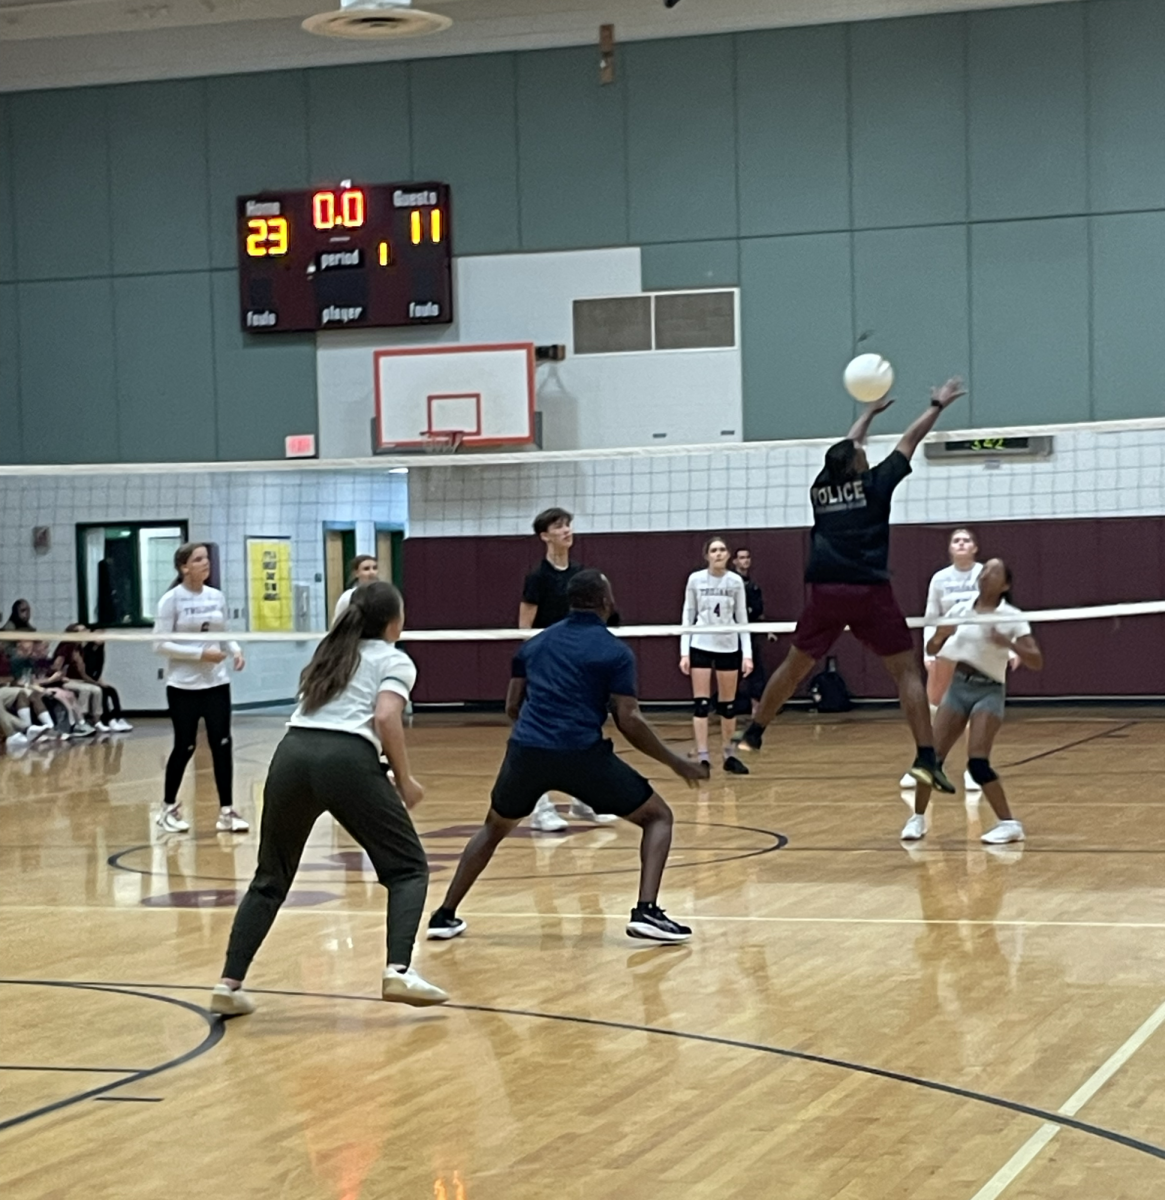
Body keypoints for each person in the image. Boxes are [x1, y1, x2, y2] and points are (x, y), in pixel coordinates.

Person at [427, 569, 710, 944]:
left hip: (526, 752)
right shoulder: (614, 652)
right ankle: (646, 911)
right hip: (581, 755)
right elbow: (629, 720)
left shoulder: (534, 646)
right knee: (658, 816)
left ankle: (443, 915)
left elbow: (513, 705)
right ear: (606, 602)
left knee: (493, 828)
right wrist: (676, 761)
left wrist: (540, 733)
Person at [210, 581, 447, 1015]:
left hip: (291, 756)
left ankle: (228, 984)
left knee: (270, 878)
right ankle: (397, 970)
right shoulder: (395, 659)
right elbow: (386, 715)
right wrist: (406, 779)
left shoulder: (329, 653)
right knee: (408, 868)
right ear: (394, 621)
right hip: (346, 760)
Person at [738, 378, 968, 794]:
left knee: (794, 667)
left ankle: (754, 732)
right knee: (906, 673)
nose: (864, 453)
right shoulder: (876, 484)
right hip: (868, 593)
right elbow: (909, 440)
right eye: (862, 453)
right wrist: (937, 405)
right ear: (858, 464)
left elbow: (844, 449)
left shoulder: (820, 489)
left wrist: (866, 415)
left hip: (825, 594)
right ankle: (925, 758)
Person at [900, 558, 1042, 845]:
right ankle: (917, 819)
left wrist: (1009, 644)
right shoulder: (962, 609)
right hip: (958, 689)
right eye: (985, 569)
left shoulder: (1010, 616)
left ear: (1005, 584)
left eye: (994, 571)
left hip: (988, 692)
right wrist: (940, 636)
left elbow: (1036, 660)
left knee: (977, 762)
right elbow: (932, 646)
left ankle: (1009, 824)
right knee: (930, 759)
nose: (986, 574)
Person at [518, 506, 614, 831]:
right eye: (559, 527)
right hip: (547, 666)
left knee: (584, 729)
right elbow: (524, 629)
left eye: (569, 525)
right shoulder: (537, 578)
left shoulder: (581, 574)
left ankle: (583, 801)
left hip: (578, 664)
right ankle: (541, 808)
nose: (567, 530)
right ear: (545, 535)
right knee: (542, 735)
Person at [153, 542, 248, 834]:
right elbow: (159, 644)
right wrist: (199, 654)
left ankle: (227, 812)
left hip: (216, 683)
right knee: (186, 745)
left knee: (223, 744)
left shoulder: (215, 596)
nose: (205, 563)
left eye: (206, 558)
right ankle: (168, 808)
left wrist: (235, 650)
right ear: (184, 567)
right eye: (198, 559)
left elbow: (223, 633)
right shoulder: (171, 600)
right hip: (183, 685)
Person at [899, 528, 984, 791]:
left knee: (974, 710)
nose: (961, 544)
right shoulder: (939, 579)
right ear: (950, 548)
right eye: (956, 540)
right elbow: (930, 617)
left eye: (966, 540)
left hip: (976, 652)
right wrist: (928, 652)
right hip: (945, 650)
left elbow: (1000, 612)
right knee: (934, 710)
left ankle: (974, 769)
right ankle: (926, 765)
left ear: (975, 547)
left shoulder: (985, 574)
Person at [680, 536, 752, 774]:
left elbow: (742, 619)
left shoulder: (735, 581)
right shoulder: (695, 579)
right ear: (707, 555)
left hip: (728, 646)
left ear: (728, 555)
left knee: (728, 706)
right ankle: (703, 757)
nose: (718, 554)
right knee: (701, 704)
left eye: (722, 550)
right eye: (714, 550)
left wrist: (747, 655)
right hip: (700, 644)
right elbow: (687, 616)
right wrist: (684, 652)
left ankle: (729, 756)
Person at [731, 546, 773, 718]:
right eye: (741, 557)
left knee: (756, 671)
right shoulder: (731, 584)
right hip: (734, 635)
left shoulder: (754, 586)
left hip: (752, 633)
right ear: (734, 561)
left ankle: (756, 708)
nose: (745, 560)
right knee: (733, 670)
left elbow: (759, 612)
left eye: (747, 557)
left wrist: (767, 630)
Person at [71, 627, 132, 732]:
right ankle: (108, 719)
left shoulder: (100, 652)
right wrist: (96, 683)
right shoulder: (85, 651)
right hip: (85, 680)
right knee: (102, 691)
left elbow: (98, 671)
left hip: (94, 680)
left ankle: (118, 717)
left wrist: (100, 681)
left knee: (112, 690)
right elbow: (83, 673)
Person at [332, 554, 379, 626]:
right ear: (356, 573)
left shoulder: (384, 594)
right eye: (366, 569)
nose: (372, 572)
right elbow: (337, 623)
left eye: (375, 568)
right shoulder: (348, 596)